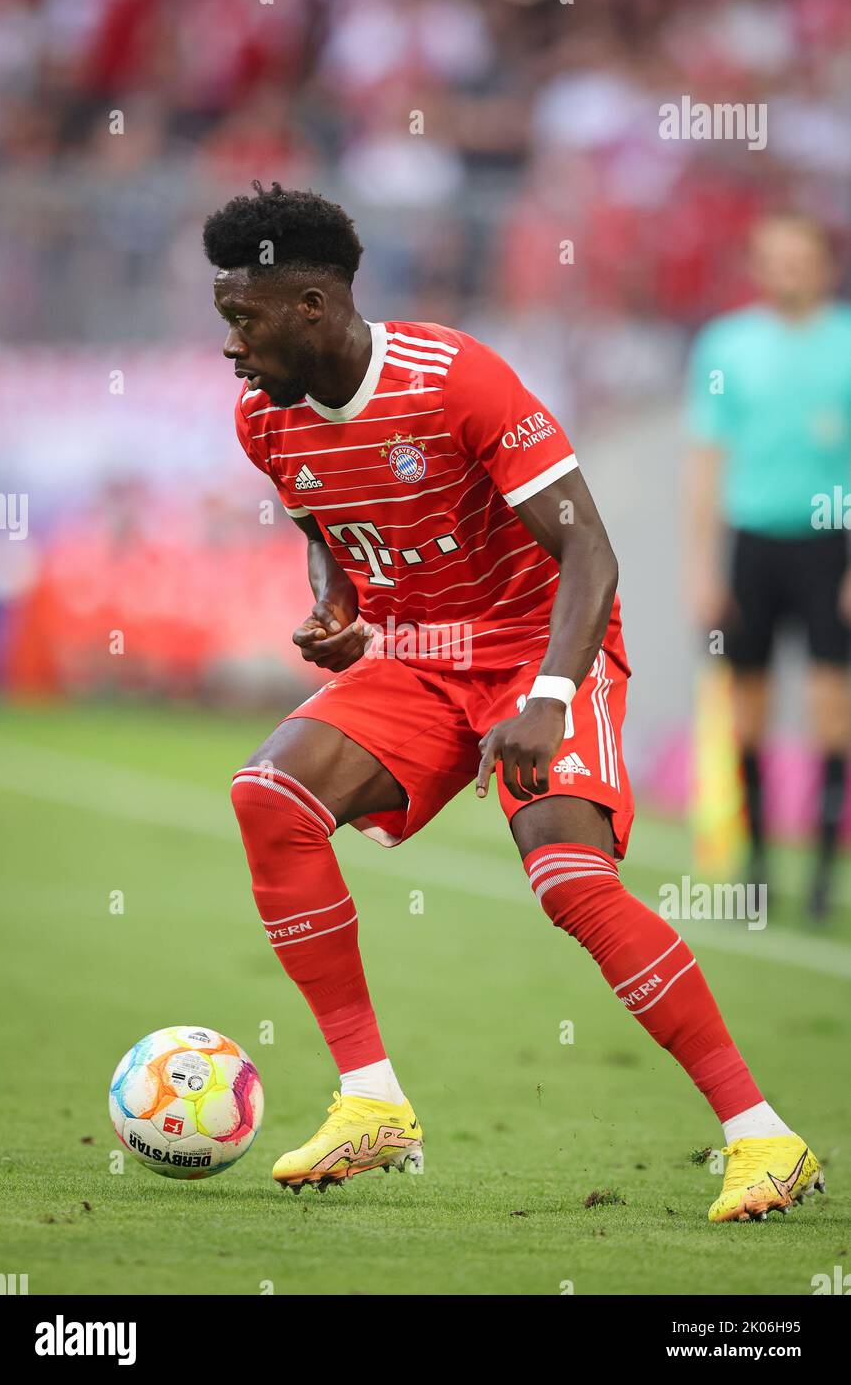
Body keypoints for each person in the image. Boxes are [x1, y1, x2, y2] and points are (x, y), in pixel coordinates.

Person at [206, 182, 822, 1221]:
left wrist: (546, 693)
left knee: (566, 878)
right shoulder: (262, 419)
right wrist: (335, 604)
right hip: (419, 659)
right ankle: (371, 1101)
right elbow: (324, 524)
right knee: (270, 795)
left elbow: (589, 548)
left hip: (543, 647)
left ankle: (762, 1138)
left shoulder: (457, 379)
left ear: (310, 306)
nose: (229, 344)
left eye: (242, 317)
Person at [687, 213, 851, 919]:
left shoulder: (846, 343)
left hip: (831, 544)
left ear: (825, 265)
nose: (788, 270)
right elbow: (706, 460)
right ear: (758, 265)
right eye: (775, 258)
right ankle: (753, 869)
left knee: (830, 710)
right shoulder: (728, 346)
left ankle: (820, 875)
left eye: (801, 258)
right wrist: (701, 565)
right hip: (750, 544)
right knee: (745, 708)